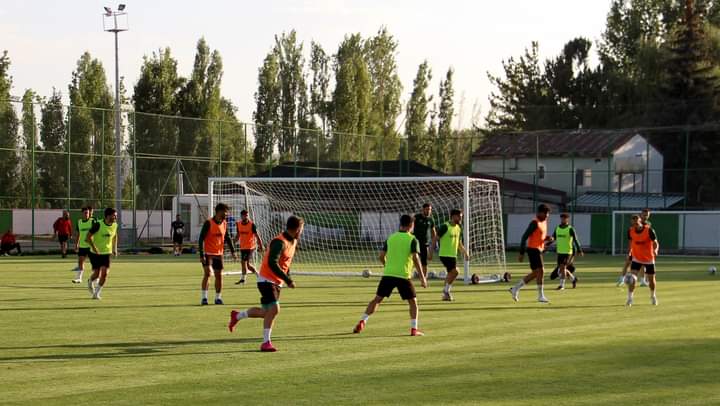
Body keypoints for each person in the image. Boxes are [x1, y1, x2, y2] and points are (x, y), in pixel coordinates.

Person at [228, 216, 304, 352]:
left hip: (275, 281)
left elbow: (286, 263)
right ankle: (266, 342)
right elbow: (271, 263)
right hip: (266, 279)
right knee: (274, 309)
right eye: (301, 228)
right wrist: (288, 280)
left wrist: (287, 278)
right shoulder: (278, 242)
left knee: (266, 312)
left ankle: (237, 316)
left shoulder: (293, 241)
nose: (302, 231)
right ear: (297, 229)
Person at [353, 214, 428, 336]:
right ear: (411, 225)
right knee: (413, 302)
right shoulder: (412, 239)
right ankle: (414, 329)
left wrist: (387, 266)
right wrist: (422, 278)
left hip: (388, 275)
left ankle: (363, 320)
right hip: (403, 276)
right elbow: (415, 258)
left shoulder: (391, 238)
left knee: (377, 300)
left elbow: (381, 256)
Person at [510, 204, 553, 303]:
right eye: (546, 213)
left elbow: (540, 236)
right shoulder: (534, 223)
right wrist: (521, 253)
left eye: (548, 213)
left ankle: (515, 289)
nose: (547, 215)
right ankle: (540, 296)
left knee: (535, 273)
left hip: (538, 249)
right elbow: (524, 237)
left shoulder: (544, 222)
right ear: (540, 213)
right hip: (533, 250)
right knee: (541, 271)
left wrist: (547, 238)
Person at [198, 203, 237, 305]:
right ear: (219, 211)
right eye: (225, 211)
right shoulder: (208, 223)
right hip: (208, 254)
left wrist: (233, 251)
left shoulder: (224, 223)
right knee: (208, 274)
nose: (226, 213)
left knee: (219, 276)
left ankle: (218, 298)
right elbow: (201, 238)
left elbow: (227, 237)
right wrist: (201, 255)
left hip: (219, 254)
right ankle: (204, 298)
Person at [434, 209, 469, 301]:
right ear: (453, 216)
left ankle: (446, 294)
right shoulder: (445, 226)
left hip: (453, 255)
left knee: (451, 273)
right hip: (445, 254)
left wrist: (465, 252)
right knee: (455, 272)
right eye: (459, 216)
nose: (461, 218)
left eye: (461, 216)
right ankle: (446, 291)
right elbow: (435, 238)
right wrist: (430, 251)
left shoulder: (458, 227)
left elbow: (459, 243)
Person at [624, 214, 660, 306]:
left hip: (648, 258)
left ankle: (653, 296)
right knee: (632, 279)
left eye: (637, 222)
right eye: (634, 223)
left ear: (640, 221)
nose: (635, 224)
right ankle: (630, 299)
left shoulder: (649, 230)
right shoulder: (630, 231)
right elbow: (631, 243)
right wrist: (629, 253)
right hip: (637, 258)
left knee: (651, 280)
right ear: (632, 223)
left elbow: (656, 243)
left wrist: (655, 250)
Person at [86, 208, 119, 300]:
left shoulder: (115, 225)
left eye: (116, 215)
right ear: (108, 216)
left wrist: (114, 249)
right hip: (95, 253)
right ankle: (90, 281)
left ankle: (96, 293)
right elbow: (88, 237)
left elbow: (115, 235)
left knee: (104, 274)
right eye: (114, 215)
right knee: (97, 274)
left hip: (106, 253)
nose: (116, 217)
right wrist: (94, 248)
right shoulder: (98, 224)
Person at [617, 208, 652, 287]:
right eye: (644, 214)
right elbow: (631, 239)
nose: (645, 216)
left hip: (643, 249)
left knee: (643, 265)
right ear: (641, 214)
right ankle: (621, 279)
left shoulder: (648, 224)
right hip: (635, 248)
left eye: (647, 215)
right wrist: (630, 250)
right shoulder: (635, 224)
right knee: (627, 263)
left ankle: (643, 281)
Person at [550, 213, 583, 290]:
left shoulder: (570, 229)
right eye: (562, 218)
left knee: (562, 267)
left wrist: (579, 250)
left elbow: (575, 240)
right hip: (560, 252)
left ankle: (562, 286)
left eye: (564, 218)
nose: (563, 220)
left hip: (568, 252)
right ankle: (573, 279)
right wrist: (546, 244)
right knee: (562, 269)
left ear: (567, 219)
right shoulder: (557, 228)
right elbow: (553, 238)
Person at [234, 209, 264, 285]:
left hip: (250, 247)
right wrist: (232, 242)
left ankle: (243, 279)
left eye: (247, 215)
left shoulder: (252, 225)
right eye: (244, 215)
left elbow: (257, 236)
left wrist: (261, 245)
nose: (246, 216)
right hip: (243, 247)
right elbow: (238, 235)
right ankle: (259, 276)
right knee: (247, 265)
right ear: (241, 216)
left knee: (243, 262)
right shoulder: (238, 224)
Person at [413, 203, 437, 283]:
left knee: (424, 262)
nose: (429, 211)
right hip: (415, 242)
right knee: (412, 259)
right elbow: (410, 226)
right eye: (427, 209)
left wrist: (434, 242)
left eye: (430, 209)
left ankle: (424, 279)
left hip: (424, 243)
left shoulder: (430, 219)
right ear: (423, 209)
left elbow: (433, 232)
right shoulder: (416, 217)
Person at [71, 206, 96, 283]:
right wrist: (76, 244)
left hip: (91, 246)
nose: (86, 214)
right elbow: (78, 234)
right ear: (82, 213)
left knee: (94, 263)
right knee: (80, 262)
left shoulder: (93, 221)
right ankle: (79, 278)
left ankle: (96, 278)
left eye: (87, 213)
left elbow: (96, 232)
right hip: (82, 246)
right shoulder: (79, 222)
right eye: (85, 213)